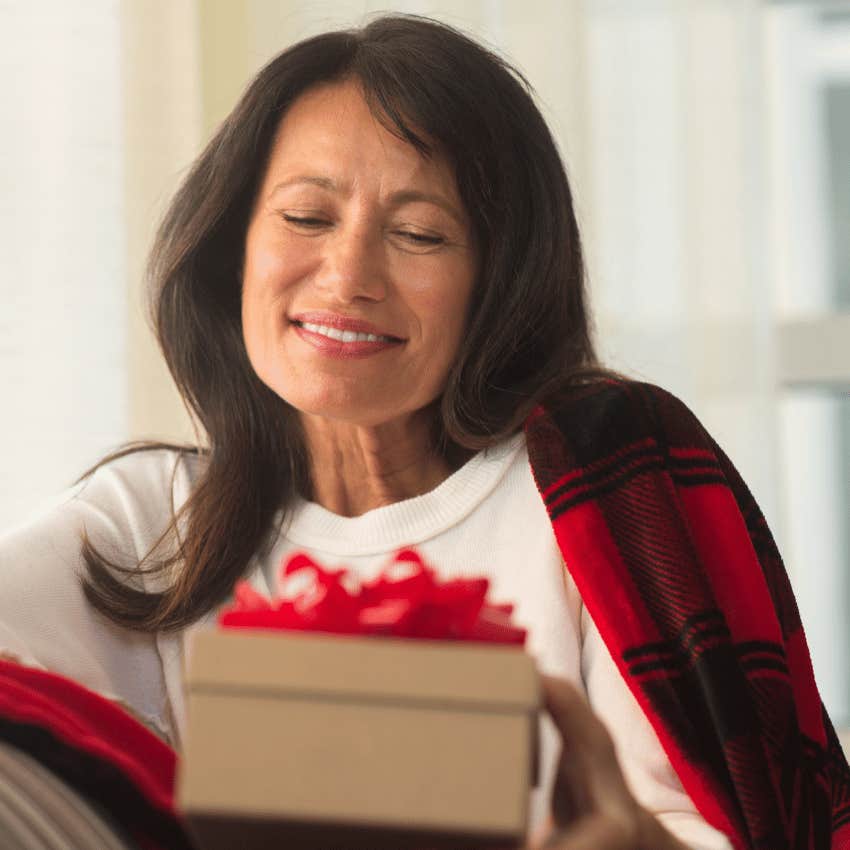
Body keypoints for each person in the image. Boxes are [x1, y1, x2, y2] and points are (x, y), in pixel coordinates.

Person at [0, 13, 847, 850]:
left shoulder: (597, 477)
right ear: (234, 249)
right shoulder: (151, 519)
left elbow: (712, 826)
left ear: (500, 281)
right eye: (306, 217)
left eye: (418, 234)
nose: (349, 276)